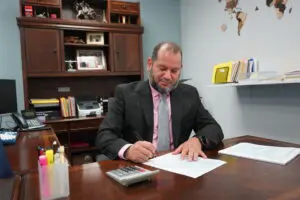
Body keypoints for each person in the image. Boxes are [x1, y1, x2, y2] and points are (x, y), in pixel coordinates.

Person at [95, 42, 224, 163]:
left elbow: (214, 128)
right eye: (162, 68)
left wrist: (198, 140)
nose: (168, 76)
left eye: (174, 71)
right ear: (150, 64)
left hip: (178, 165)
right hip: (141, 166)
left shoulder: (190, 94)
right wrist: (128, 150)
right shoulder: (125, 93)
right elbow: (104, 136)